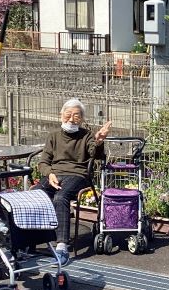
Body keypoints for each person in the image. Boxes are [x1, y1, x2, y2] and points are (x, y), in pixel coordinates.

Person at [36, 98, 112, 265]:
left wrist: (99, 141)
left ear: (82, 119)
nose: (71, 119)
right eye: (68, 115)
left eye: (76, 116)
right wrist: (49, 174)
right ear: (60, 115)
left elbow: (96, 155)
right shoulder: (53, 136)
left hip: (78, 175)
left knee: (60, 197)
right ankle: (28, 241)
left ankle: (62, 246)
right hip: (55, 175)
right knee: (34, 196)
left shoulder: (87, 135)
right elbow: (43, 162)